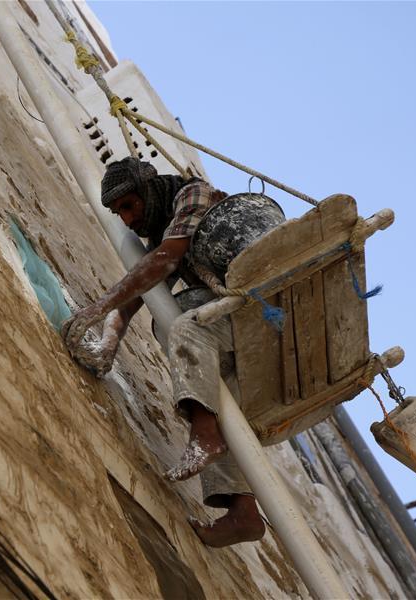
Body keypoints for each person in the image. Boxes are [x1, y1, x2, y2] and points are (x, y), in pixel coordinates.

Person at [62, 157, 283, 547]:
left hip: (269, 305)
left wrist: (99, 306)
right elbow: (147, 289)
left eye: (129, 206)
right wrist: (111, 336)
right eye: (118, 213)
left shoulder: (193, 194)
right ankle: (244, 511)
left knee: (182, 322)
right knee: (219, 391)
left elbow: (164, 261)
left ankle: (204, 433)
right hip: (244, 330)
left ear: (148, 189)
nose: (127, 220)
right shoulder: (166, 234)